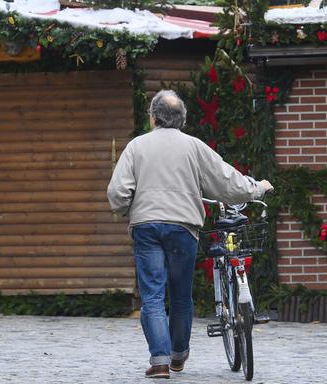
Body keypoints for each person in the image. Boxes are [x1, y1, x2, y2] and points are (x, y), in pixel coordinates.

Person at [107, 90, 274, 379]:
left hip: (146, 227)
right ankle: (178, 355)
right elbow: (226, 181)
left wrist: (126, 208)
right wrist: (258, 187)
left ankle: (159, 362)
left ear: (153, 117)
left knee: (153, 296)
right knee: (181, 295)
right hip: (183, 228)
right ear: (182, 119)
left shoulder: (136, 146)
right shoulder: (194, 147)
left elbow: (118, 193)